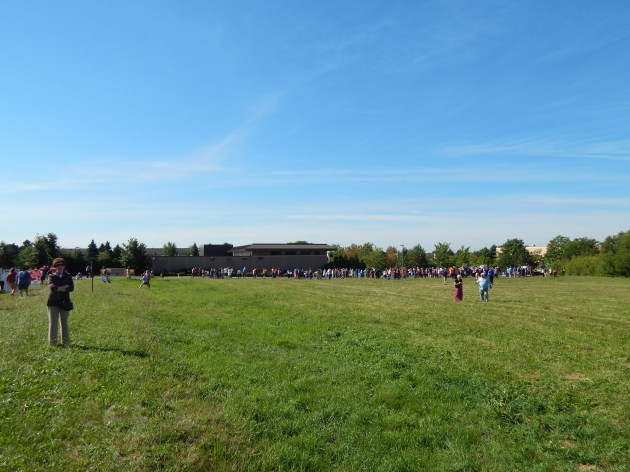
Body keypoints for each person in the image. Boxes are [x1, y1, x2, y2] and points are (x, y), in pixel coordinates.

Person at [47, 258, 74, 347]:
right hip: (53, 302)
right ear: (54, 267)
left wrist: (58, 288)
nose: (59, 266)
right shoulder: (52, 276)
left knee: (64, 323)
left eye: (61, 264)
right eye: (57, 265)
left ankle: (66, 343)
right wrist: (62, 288)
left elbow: (71, 288)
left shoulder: (68, 276)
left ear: (64, 266)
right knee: (53, 324)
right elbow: (51, 286)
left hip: (64, 302)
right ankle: (53, 344)